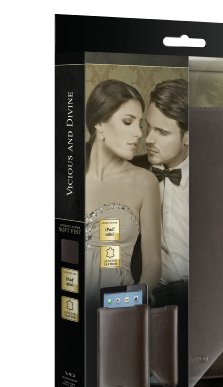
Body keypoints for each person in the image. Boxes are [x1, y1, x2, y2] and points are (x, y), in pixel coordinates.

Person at [85, 80, 162, 309]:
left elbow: (153, 262)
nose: (139, 133)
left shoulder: (145, 182)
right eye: (128, 122)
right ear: (99, 123)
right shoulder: (64, 177)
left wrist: (140, 294)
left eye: (140, 124)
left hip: (118, 307)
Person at [132, 79, 189, 309]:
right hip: (156, 298)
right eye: (149, 127)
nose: (148, 139)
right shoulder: (132, 174)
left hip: (206, 296)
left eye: (162, 132)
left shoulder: (214, 177)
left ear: (188, 136)